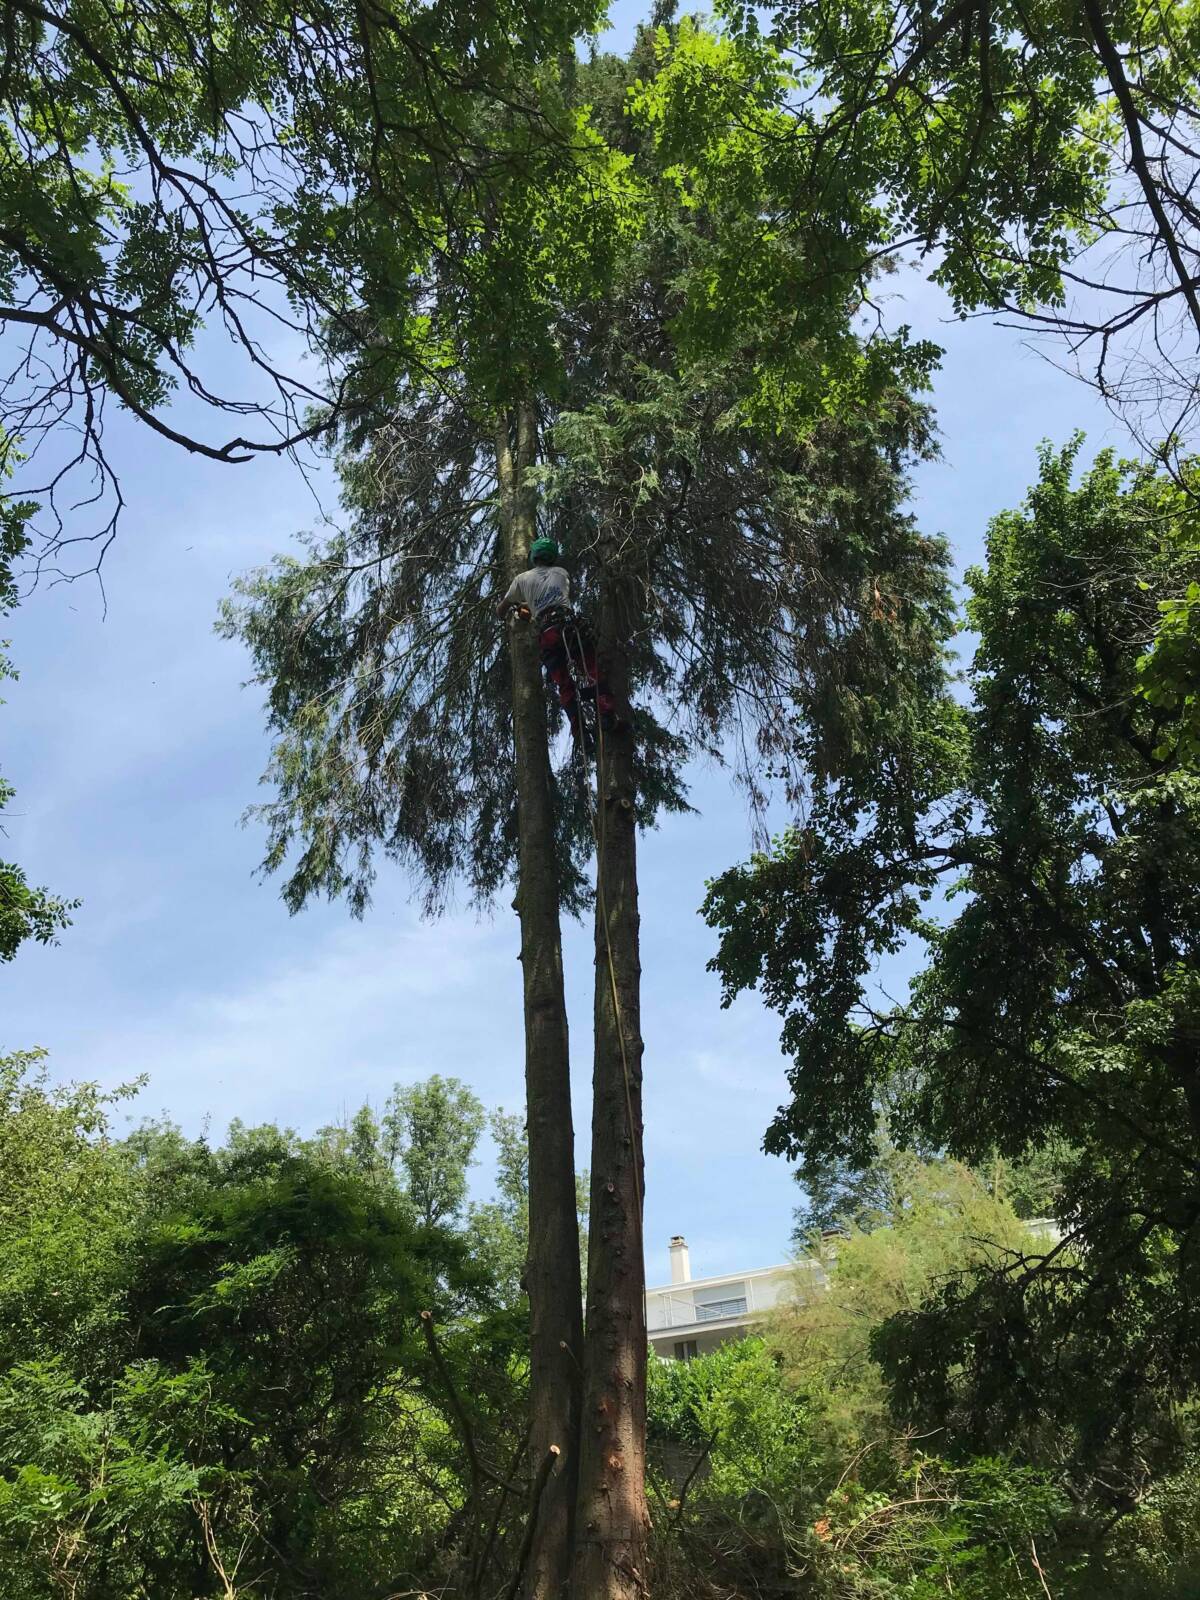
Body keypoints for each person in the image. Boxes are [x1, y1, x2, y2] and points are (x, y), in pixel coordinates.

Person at [496, 537, 617, 747]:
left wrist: (519, 608)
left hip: (548, 633)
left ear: (533, 556)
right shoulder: (561, 573)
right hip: (569, 627)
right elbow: (554, 595)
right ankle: (606, 714)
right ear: (553, 557)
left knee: (564, 683)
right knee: (591, 670)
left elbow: (501, 610)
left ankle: (580, 732)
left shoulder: (521, 579)